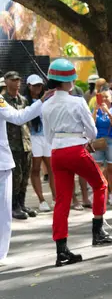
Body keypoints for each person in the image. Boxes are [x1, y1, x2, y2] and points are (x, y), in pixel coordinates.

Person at [41, 59, 112, 267]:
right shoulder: (77, 101)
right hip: (76, 149)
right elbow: (92, 131)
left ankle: (61, 250)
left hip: (56, 152)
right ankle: (98, 230)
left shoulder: (46, 105)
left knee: (62, 201)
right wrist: (83, 139)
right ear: (70, 81)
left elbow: (48, 136)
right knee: (100, 184)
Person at [0, 88, 48, 260]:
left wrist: (42, 101)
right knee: (3, 213)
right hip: (2, 163)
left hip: (2, 163)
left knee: (4, 213)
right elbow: (18, 118)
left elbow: (18, 117)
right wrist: (42, 101)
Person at [3, 71, 37, 220]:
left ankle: (22, 204)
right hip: (11, 145)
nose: (16, 82)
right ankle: (14, 206)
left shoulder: (23, 100)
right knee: (15, 178)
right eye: (13, 80)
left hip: (25, 143)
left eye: (18, 80)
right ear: (6, 82)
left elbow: (27, 120)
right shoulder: (3, 100)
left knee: (24, 176)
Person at [25, 74, 55, 212]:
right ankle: (42, 200)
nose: (38, 87)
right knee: (36, 169)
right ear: (29, 86)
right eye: (34, 85)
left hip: (47, 136)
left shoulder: (48, 99)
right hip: (33, 137)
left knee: (52, 169)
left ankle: (56, 198)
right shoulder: (25, 100)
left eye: (39, 85)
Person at [91, 87, 112, 206]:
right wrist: (95, 110)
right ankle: (99, 193)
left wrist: (108, 112)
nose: (104, 99)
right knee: (98, 168)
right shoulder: (96, 110)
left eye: (106, 96)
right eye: (102, 96)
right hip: (99, 140)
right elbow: (91, 124)